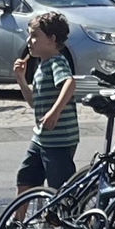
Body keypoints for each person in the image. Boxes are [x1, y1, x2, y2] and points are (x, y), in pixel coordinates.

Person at [13, 12, 78, 192]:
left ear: (51, 39)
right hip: (41, 137)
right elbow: (34, 101)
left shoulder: (56, 62)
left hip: (59, 140)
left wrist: (54, 112)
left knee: (60, 187)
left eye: (34, 36)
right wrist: (21, 79)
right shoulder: (42, 65)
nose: (29, 40)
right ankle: (18, 221)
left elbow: (69, 83)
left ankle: (62, 218)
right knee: (25, 179)